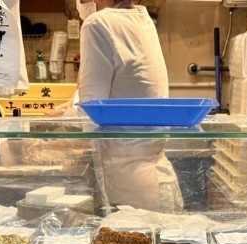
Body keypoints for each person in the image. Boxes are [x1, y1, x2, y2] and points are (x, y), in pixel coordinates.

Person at [75, 0, 184, 213]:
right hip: (158, 179)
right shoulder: (141, 18)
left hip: (130, 191)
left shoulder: (97, 24)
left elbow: (88, 114)